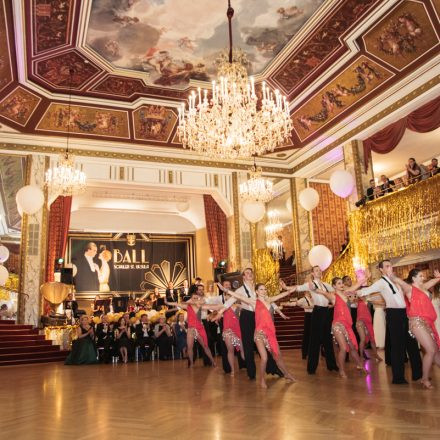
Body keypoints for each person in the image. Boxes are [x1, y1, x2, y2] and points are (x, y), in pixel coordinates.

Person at [219, 282, 296, 388]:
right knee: (264, 358)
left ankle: (287, 374)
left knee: (278, 357)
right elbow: (239, 296)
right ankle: (262, 379)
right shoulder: (254, 302)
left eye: (265, 289)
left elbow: (281, 295)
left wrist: (289, 290)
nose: (263, 291)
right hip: (259, 333)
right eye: (261, 289)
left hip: (270, 333)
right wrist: (226, 290)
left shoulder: (269, 300)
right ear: (256, 291)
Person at [356, 260, 422, 384]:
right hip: (393, 314)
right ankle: (398, 378)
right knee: (398, 346)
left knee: (412, 343)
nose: (390, 268)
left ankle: (418, 374)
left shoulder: (396, 280)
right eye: (387, 266)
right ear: (381, 270)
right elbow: (365, 291)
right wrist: (357, 287)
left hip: (404, 313)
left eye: (390, 265)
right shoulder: (381, 282)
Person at [224, 268, 285, 380]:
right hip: (246, 317)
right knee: (247, 345)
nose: (250, 274)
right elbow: (230, 301)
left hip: (258, 317)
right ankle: (251, 373)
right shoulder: (240, 290)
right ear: (243, 277)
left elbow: (267, 300)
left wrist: (278, 310)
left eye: (251, 272)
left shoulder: (258, 288)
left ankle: (273, 368)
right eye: (247, 273)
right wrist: (220, 312)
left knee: (264, 342)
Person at [392, 269, 440, 389]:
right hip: (417, 322)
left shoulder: (423, 287)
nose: (422, 278)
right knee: (430, 350)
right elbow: (400, 282)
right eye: (420, 276)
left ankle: (424, 377)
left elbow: (435, 281)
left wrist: (438, 277)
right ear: (413, 278)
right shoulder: (410, 289)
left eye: (422, 276)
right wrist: (391, 274)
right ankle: (424, 379)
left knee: (435, 350)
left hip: (427, 323)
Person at [285, 266, 339, 374]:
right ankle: (311, 368)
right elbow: (298, 287)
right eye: (316, 270)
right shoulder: (310, 285)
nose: (319, 272)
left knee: (327, 339)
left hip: (326, 312)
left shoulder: (325, 285)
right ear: (313, 274)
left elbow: (336, 291)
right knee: (314, 340)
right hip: (317, 311)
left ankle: (332, 365)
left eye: (320, 270)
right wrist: (286, 287)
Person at [316, 277, 366, 378]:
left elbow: (355, 285)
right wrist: (319, 290)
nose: (341, 285)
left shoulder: (346, 294)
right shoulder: (334, 296)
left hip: (347, 325)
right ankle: (341, 371)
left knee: (352, 348)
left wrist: (365, 278)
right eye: (339, 283)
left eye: (342, 283)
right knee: (343, 348)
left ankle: (361, 366)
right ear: (334, 286)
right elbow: (325, 293)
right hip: (338, 325)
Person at [165, 292, 221, 368]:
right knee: (190, 347)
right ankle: (191, 364)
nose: (195, 299)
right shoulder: (188, 306)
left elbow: (213, 306)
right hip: (191, 329)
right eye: (193, 298)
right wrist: (167, 302)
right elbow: (177, 304)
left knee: (205, 346)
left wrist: (222, 306)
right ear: (191, 299)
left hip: (200, 328)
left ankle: (213, 362)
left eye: (196, 298)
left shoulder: (201, 306)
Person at [219, 290, 244, 376]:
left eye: (230, 295)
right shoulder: (223, 307)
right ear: (225, 297)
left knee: (242, 350)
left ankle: (248, 366)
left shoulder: (238, 305)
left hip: (238, 330)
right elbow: (213, 311)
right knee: (230, 350)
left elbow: (250, 307)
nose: (228, 297)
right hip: (227, 331)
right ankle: (232, 370)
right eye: (227, 295)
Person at [355, 296, 382, 362]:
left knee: (372, 340)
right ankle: (361, 356)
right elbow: (351, 298)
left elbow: (378, 302)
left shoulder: (369, 300)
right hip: (360, 322)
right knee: (363, 339)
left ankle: (376, 355)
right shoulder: (357, 301)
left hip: (368, 322)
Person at [289, 292, 314, 359]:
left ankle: (311, 352)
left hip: (314, 316)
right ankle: (304, 353)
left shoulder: (314, 298)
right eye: (307, 292)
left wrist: (306, 305)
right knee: (306, 335)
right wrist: (304, 305)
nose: (309, 293)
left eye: (309, 291)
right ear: (305, 293)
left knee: (313, 335)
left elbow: (314, 306)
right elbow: (297, 303)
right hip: (308, 316)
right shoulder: (303, 299)